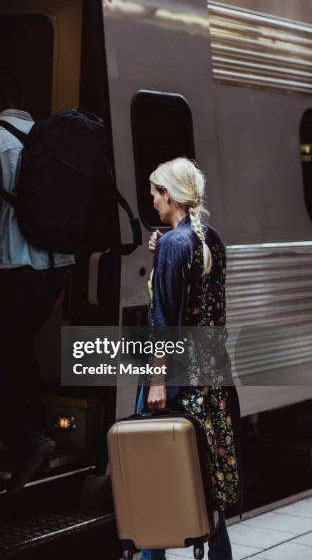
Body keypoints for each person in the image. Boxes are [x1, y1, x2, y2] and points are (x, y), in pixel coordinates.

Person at [137, 157, 241, 560]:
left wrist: (159, 382)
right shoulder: (210, 238)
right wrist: (164, 244)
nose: (153, 204)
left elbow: (163, 322)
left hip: (179, 380)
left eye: (155, 196)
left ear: (170, 195)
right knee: (207, 481)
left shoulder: (174, 246)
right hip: (212, 376)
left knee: (157, 475)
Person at [0, 74, 75, 494]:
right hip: (56, 265)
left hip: (15, 264)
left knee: (0, 351)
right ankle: (36, 433)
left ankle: (27, 440)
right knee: (17, 346)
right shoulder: (46, 136)